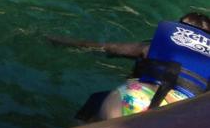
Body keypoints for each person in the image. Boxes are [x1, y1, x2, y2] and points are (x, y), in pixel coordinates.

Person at [50, 12, 210, 122]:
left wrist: (61, 41)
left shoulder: (149, 47)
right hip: (180, 111)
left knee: (94, 102)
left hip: (137, 97)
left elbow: (106, 48)